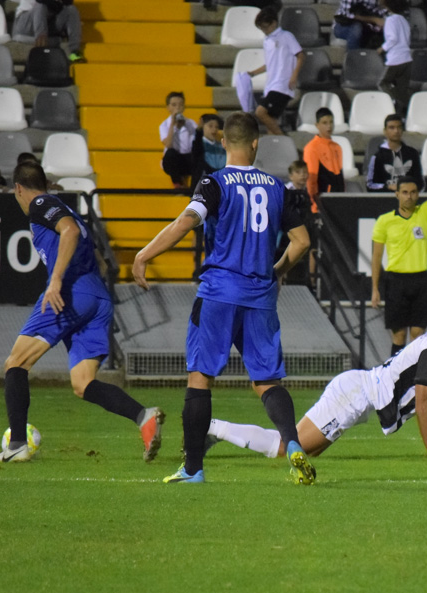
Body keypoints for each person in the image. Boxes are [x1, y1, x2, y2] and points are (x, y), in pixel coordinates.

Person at [131, 112, 316, 485]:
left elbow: (186, 221)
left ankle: (193, 469)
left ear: (224, 144)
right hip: (261, 295)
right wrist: (276, 271)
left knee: (200, 377)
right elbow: (303, 242)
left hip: (219, 291)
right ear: (255, 144)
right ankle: (294, 445)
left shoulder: (214, 183)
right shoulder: (276, 187)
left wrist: (144, 255)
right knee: (267, 381)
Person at [0, 162, 164, 464]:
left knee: (16, 362)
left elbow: (67, 231)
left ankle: (16, 444)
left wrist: (55, 280)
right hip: (98, 297)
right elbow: (85, 244)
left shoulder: (41, 204)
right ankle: (143, 416)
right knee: (83, 383)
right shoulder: (64, 207)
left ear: (18, 188)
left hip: (71, 292)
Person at [205, 297, 427, 462]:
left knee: (303, 452)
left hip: (358, 396)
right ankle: (213, 427)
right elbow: (424, 404)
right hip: (353, 395)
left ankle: (215, 430)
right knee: (289, 448)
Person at [371, 150, 427, 356]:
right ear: (397, 194)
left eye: (413, 192)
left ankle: (415, 380)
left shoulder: (424, 212)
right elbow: (376, 257)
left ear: (417, 194)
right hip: (395, 281)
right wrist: (375, 288)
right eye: (405, 192)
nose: (409, 196)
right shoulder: (384, 221)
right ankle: (395, 378)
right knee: (398, 335)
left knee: (419, 335)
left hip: (421, 281)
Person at [245, 7, 303, 136]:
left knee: (260, 112)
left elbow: (300, 55)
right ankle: (278, 148)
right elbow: (270, 63)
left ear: (274, 23)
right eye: (262, 28)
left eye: (265, 27)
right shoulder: (267, 41)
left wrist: (294, 75)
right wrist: (253, 73)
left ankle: (283, 140)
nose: (264, 31)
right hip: (271, 85)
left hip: (282, 85)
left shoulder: (286, 36)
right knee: (270, 126)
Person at [368, 0, 412, 114]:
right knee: (402, 89)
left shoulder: (390, 20)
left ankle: (395, 101)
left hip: (395, 59)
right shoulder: (404, 20)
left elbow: (392, 38)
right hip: (407, 59)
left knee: (383, 83)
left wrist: (382, 48)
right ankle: (403, 113)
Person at [12, 0, 84, 63]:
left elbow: (68, 2)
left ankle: (74, 52)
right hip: (25, 24)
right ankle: (41, 46)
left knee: (72, 9)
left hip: (47, 22)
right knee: (41, 6)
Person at [367, 114, 423, 192]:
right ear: (385, 131)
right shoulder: (377, 157)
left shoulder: (412, 154)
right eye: (391, 128)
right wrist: (388, 186)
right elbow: (370, 185)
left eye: (399, 127)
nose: (396, 131)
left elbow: (420, 182)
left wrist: (407, 188)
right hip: (384, 200)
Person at [302, 107, 346, 208]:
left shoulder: (337, 147)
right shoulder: (312, 147)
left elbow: (340, 176)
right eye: (324, 123)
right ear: (317, 125)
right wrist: (314, 205)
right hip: (322, 201)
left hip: (338, 200)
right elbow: (311, 179)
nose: (329, 126)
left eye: (331, 122)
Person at [159, 92, 196, 188]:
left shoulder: (191, 123)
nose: (178, 108)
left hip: (188, 159)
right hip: (173, 161)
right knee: (170, 153)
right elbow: (168, 144)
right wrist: (173, 125)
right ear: (168, 108)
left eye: (180, 104)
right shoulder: (164, 125)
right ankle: (177, 184)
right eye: (174, 105)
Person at [191, 114, 226, 185]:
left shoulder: (221, 146)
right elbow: (196, 153)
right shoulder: (198, 144)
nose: (214, 129)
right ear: (203, 127)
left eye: (216, 127)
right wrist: (198, 132)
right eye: (210, 126)